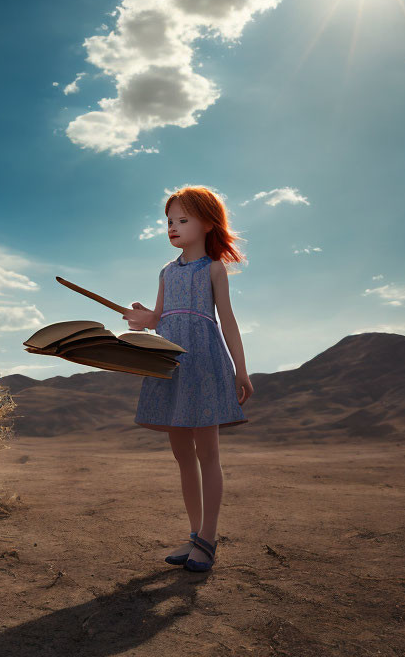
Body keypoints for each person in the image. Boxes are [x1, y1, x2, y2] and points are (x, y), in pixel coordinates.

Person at [122, 185, 255, 572]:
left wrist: (241, 369)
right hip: (171, 364)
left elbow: (227, 320)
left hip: (205, 363)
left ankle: (208, 540)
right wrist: (145, 318)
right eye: (169, 221)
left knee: (207, 453)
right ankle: (194, 534)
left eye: (183, 220)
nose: (173, 227)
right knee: (182, 456)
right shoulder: (166, 272)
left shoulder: (213, 268)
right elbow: (161, 318)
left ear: (209, 223)